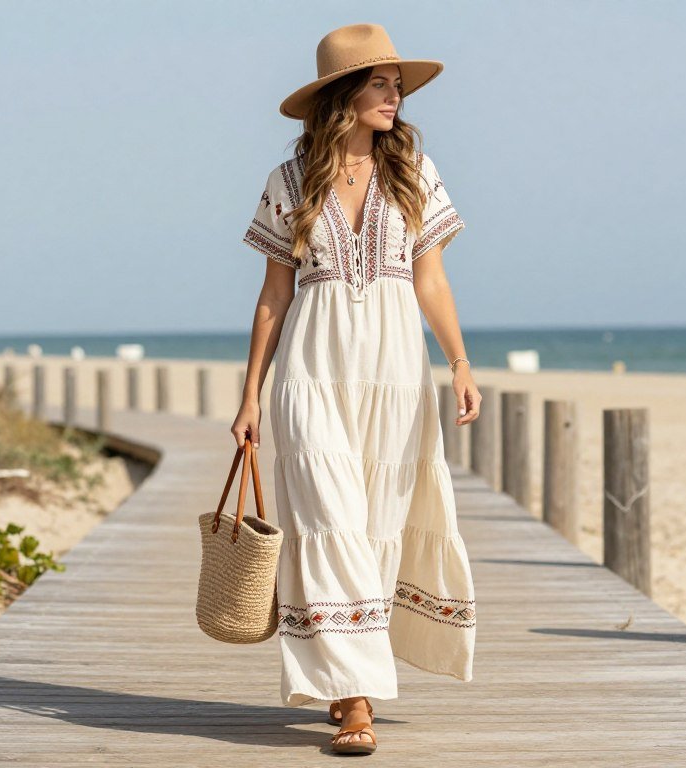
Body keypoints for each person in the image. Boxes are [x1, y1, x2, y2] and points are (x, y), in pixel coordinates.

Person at [231, 23, 478, 755]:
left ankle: (351, 684)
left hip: (396, 373)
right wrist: (250, 396)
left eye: (397, 84)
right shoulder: (291, 181)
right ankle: (356, 699)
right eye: (380, 83)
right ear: (343, 94)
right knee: (327, 520)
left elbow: (431, 280)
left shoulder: (416, 173)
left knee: (374, 525)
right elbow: (274, 295)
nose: (394, 96)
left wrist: (461, 363)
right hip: (311, 369)